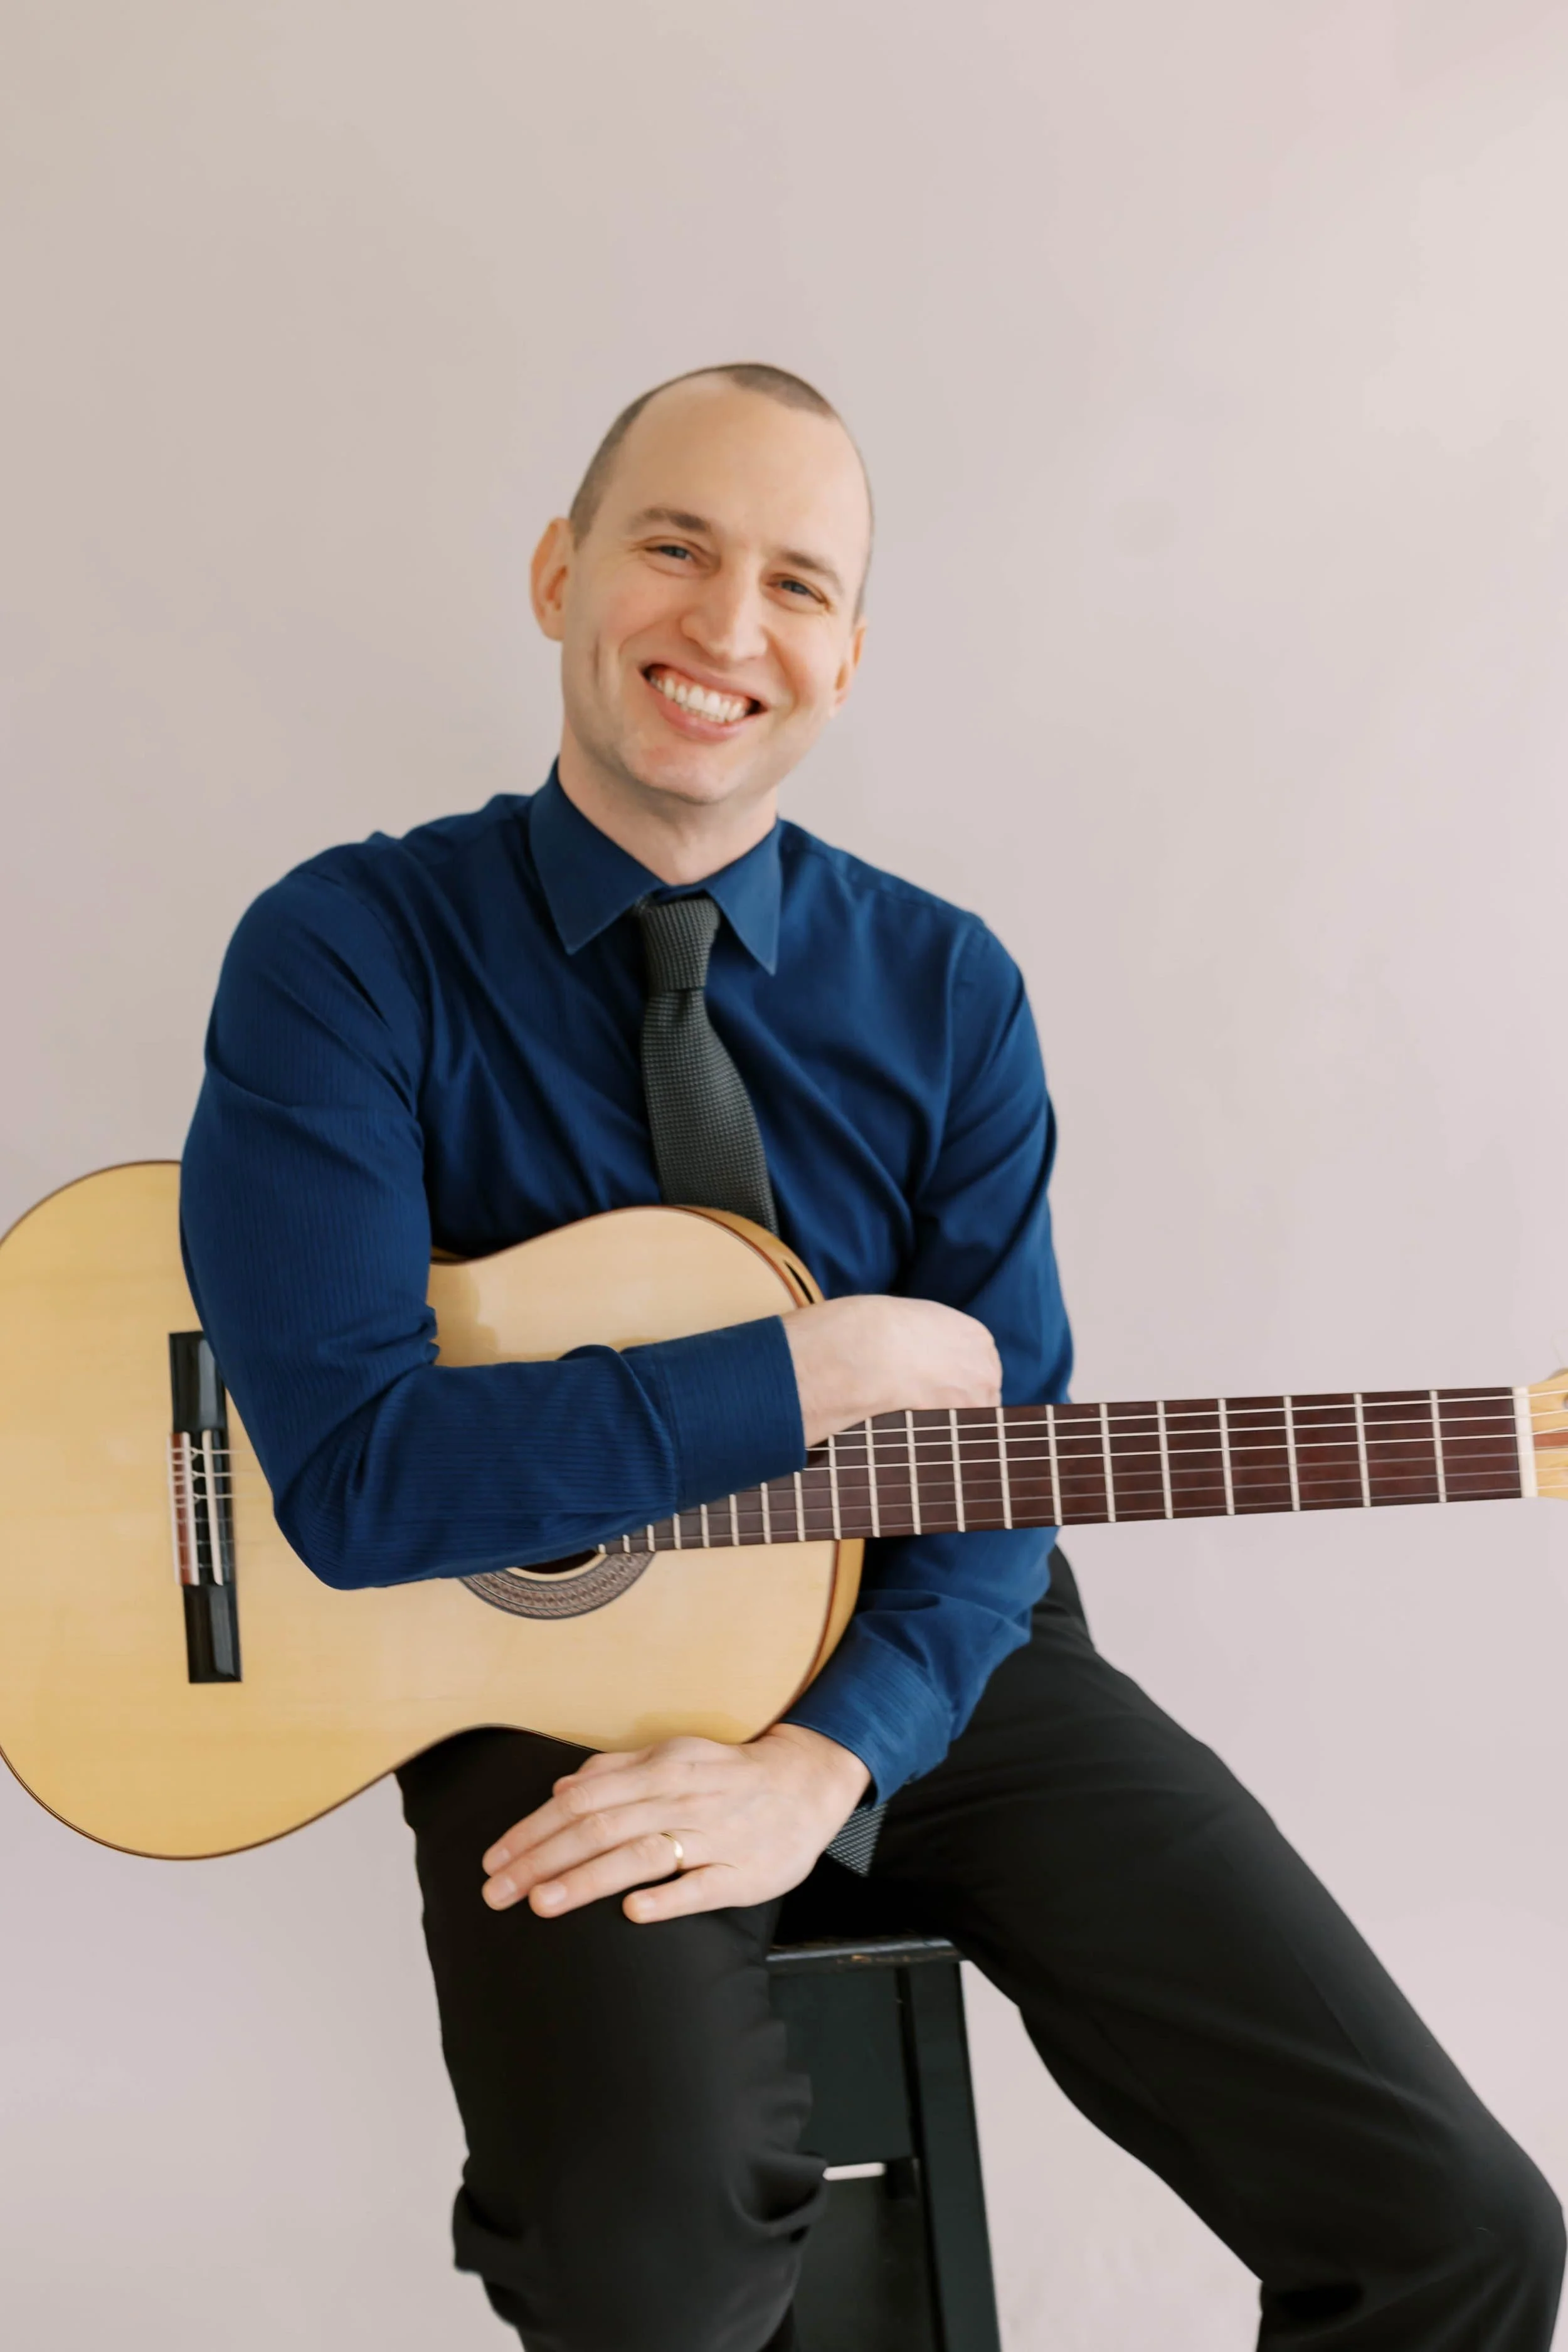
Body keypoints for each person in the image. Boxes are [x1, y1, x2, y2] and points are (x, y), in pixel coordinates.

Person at [180, 362, 1564, 2352]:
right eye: (674, 546)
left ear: (846, 654)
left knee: (1457, 2225)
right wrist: (800, 1375)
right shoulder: (346, 951)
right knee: (646, 2263)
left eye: (797, 583)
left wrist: (820, 1761)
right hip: (543, 1680)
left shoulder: (946, 987)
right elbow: (356, 1478)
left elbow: (1005, 1478)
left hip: (930, 1634)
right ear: (562, 571)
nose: (727, 625)